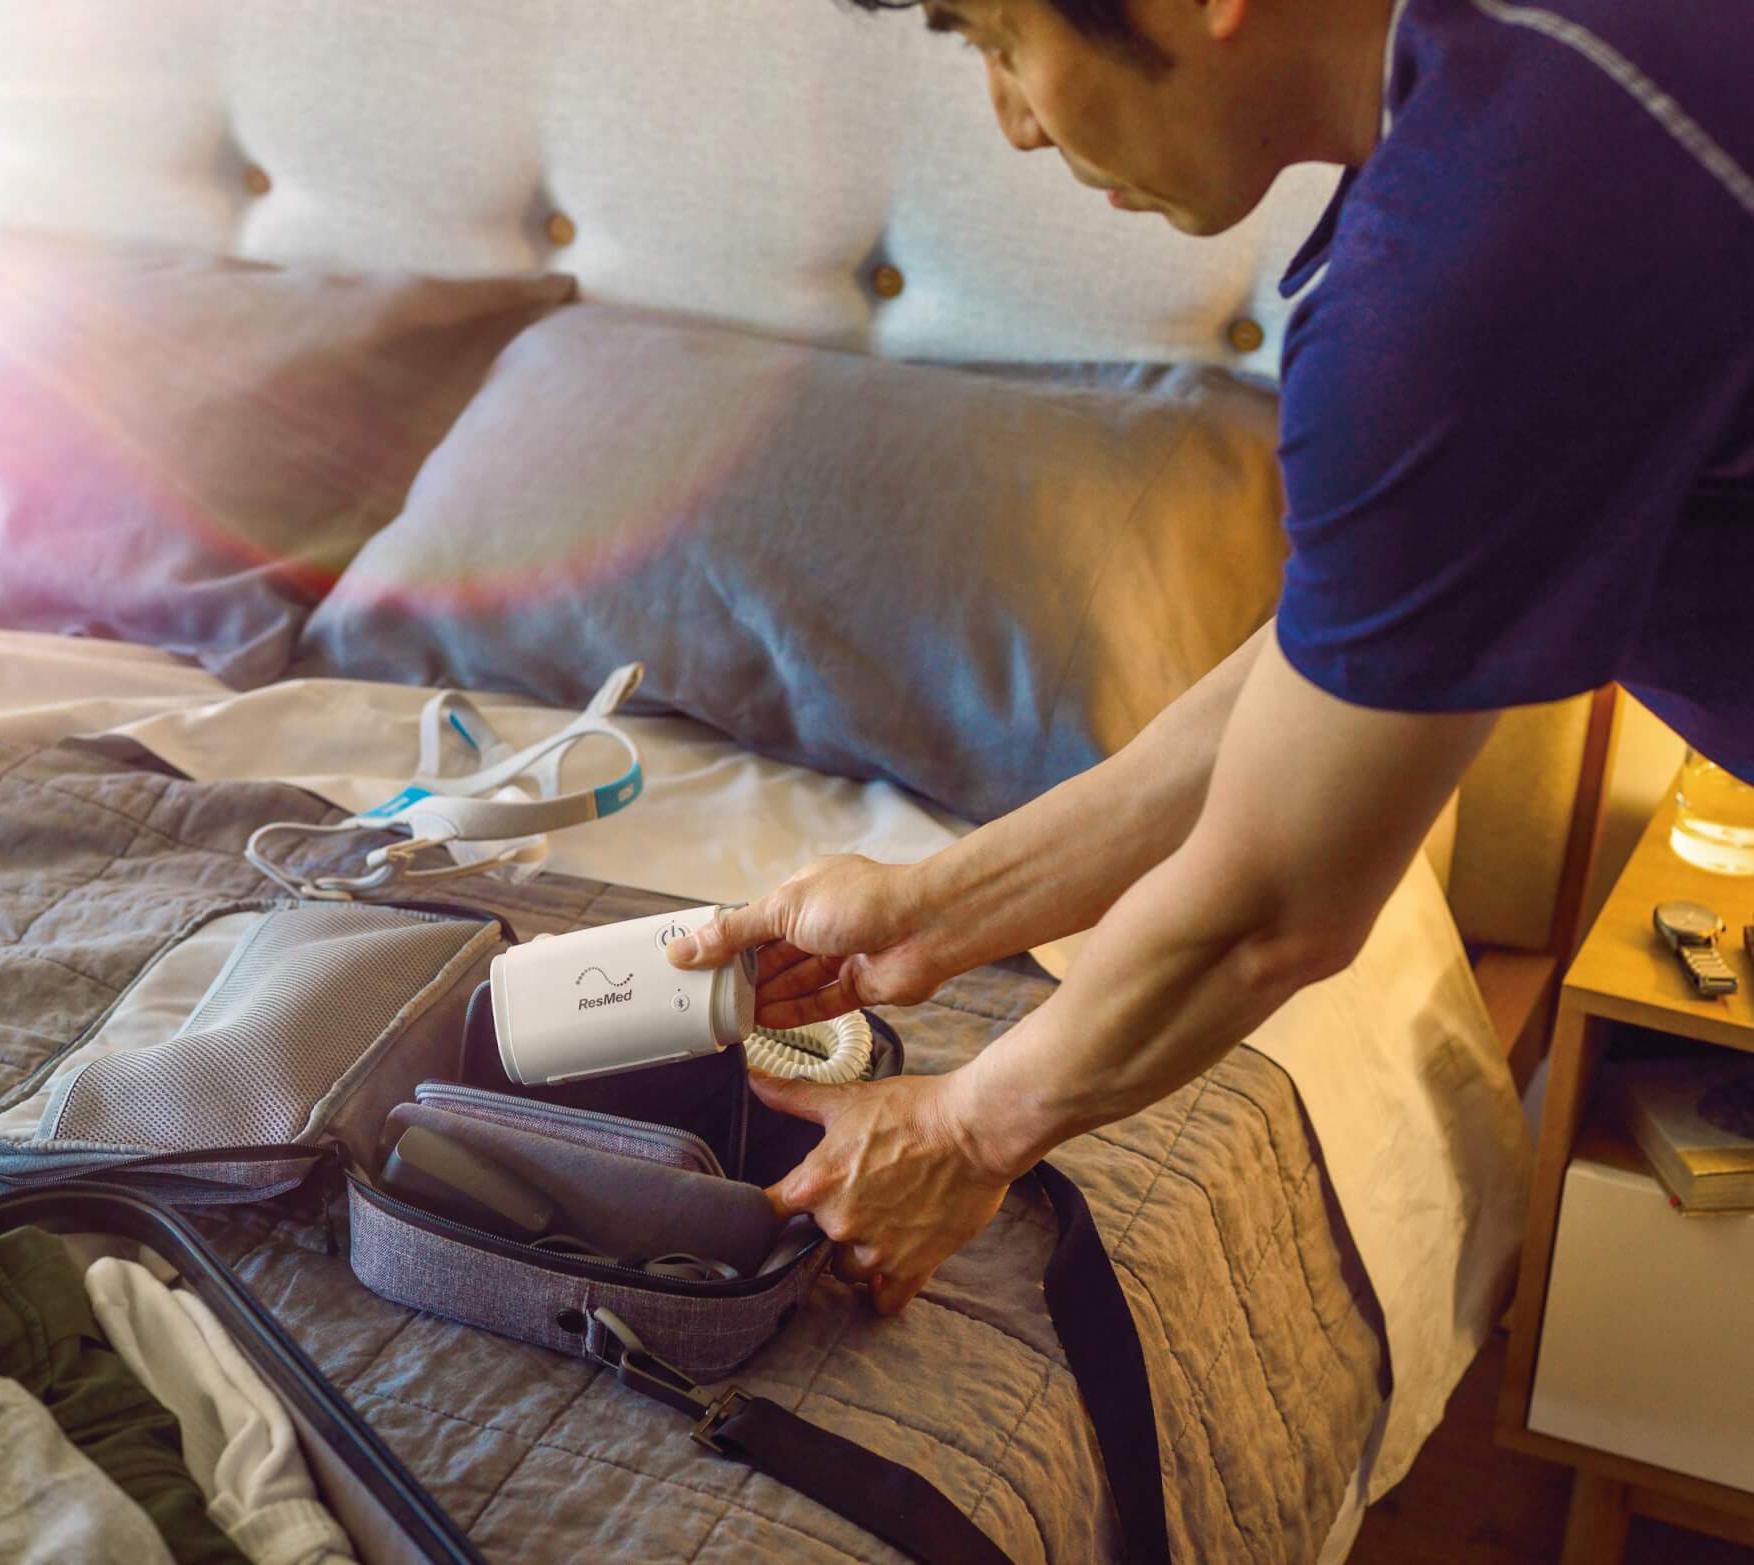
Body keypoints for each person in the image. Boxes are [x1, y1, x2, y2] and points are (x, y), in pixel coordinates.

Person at [665, 0, 1753, 1314]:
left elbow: (1272, 904)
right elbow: (1318, 672)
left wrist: (962, 1130)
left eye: (1000, 40)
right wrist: (927, 913)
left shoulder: (1481, 253)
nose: (1014, 121)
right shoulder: (1532, 100)